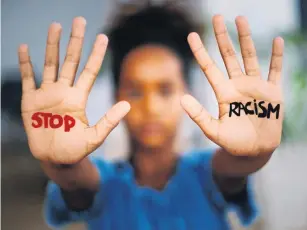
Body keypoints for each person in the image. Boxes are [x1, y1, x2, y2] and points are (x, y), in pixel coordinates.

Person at [18, 5, 284, 230]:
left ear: (187, 92)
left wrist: (251, 153)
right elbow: (78, 183)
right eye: (134, 91)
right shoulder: (104, 181)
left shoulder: (206, 173)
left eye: (165, 90)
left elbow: (232, 168)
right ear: (115, 95)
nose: (151, 106)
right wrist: (64, 163)